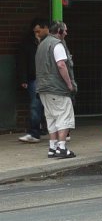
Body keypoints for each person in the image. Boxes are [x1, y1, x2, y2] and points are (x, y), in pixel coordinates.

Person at [35, 21, 77, 159]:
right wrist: (69, 84)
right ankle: (62, 147)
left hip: (43, 88)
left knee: (51, 117)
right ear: (59, 31)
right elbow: (61, 65)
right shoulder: (57, 45)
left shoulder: (42, 44)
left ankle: (52, 147)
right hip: (57, 88)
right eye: (65, 30)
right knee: (64, 116)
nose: (66, 33)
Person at [16, 17, 49, 143]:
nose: (37, 34)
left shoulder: (48, 42)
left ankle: (39, 130)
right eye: (35, 31)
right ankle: (35, 131)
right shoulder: (28, 43)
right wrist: (23, 79)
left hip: (45, 77)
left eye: (38, 31)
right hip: (35, 77)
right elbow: (22, 62)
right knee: (36, 104)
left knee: (43, 104)